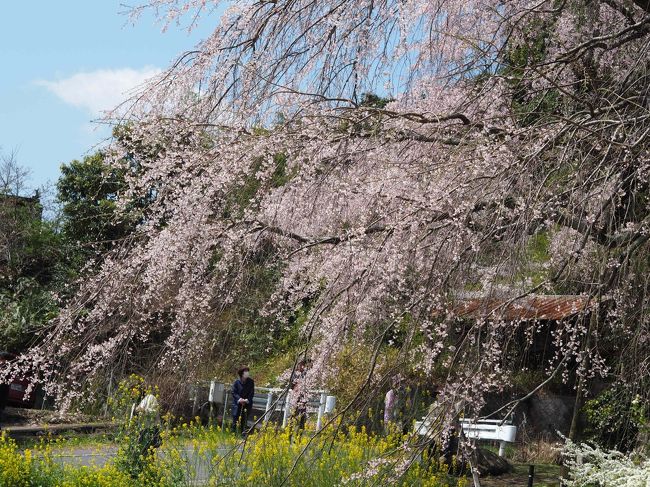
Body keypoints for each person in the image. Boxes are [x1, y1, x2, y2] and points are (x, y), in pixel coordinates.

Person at [232, 366, 254, 434]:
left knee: (244, 419)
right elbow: (233, 392)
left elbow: (251, 392)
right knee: (236, 418)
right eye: (245, 371)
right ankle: (234, 433)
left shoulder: (251, 382)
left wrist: (247, 400)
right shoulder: (236, 382)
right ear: (241, 373)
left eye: (248, 371)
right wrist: (240, 399)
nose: (247, 373)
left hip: (247, 403)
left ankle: (242, 433)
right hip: (237, 403)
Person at [290, 359, 310, 430]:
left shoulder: (306, 374)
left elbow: (308, 384)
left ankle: (300, 431)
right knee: (293, 414)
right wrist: (296, 387)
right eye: (300, 365)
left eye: (303, 365)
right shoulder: (295, 374)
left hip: (303, 397)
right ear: (297, 365)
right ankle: (290, 430)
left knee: (302, 415)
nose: (302, 366)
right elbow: (291, 385)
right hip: (295, 397)